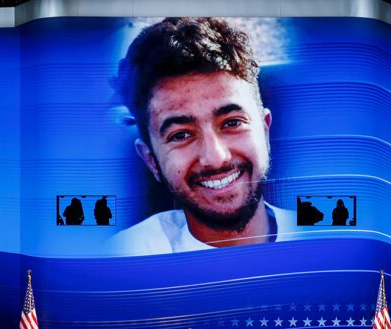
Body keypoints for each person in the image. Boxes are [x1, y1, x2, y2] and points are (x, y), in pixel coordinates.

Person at [111, 17, 296, 255]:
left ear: (265, 129)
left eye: (232, 123)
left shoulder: (330, 240)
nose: (216, 158)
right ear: (151, 160)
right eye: (181, 135)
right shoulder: (120, 261)